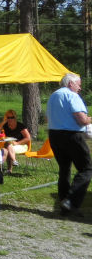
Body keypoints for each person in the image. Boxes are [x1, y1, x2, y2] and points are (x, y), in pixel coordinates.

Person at [47, 73, 92, 217]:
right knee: (86, 168)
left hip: (54, 135)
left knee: (64, 169)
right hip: (71, 135)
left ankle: (64, 205)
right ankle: (71, 201)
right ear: (70, 83)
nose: (80, 88)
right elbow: (82, 120)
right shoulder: (72, 95)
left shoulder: (53, 96)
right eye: (79, 84)